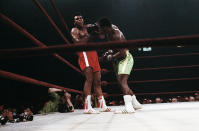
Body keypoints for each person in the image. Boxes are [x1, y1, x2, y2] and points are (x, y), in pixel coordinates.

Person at [98, 17, 142, 113]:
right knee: (121, 83)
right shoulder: (109, 31)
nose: (100, 31)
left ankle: (129, 106)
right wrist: (109, 52)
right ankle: (135, 103)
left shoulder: (116, 35)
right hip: (118, 59)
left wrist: (111, 56)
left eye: (101, 28)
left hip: (125, 57)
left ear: (105, 27)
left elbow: (122, 52)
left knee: (123, 81)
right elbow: (114, 47)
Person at [70, 13, 112, 114]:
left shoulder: (88, 27)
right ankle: (87, 106)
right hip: (83, 52)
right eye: (77, 19)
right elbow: (78, 43)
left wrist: (98, 30)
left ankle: (102, 105)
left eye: (81, 18)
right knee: (89, 79)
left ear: (83, 19)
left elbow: (102, 36)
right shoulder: (74, 31)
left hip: (93, 53)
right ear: (74, 22)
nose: (79, 20)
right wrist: (89, 35)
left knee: (97, 80)